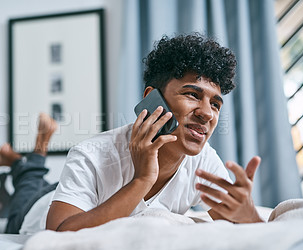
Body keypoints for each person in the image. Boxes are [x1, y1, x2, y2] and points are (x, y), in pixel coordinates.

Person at [45, 33, 264, 232]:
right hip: (39, 206)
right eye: (192, 95)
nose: (207, 113)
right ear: (152, 98)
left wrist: (247, 213)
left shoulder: (204, 161)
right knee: (29, 187)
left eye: (215, 104)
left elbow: (248, 232)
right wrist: (142, 180)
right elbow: (57, 234)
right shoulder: (91, 155)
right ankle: (34, 154)